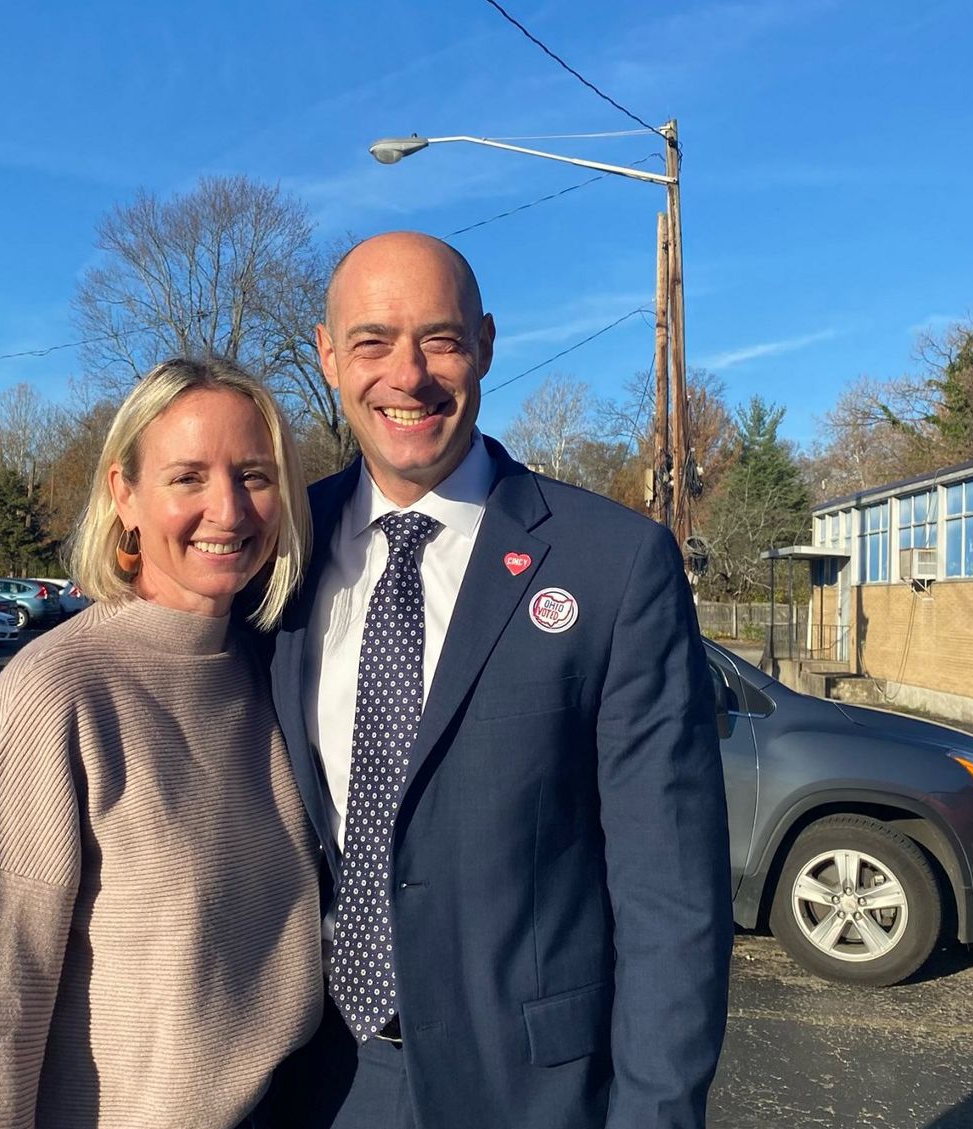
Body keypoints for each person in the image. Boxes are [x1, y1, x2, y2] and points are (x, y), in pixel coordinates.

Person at [267, 232, 732, 1128]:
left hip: (530, 1091)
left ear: (484, 342)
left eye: (439, 339)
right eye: (371, 342)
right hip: (307, 1083)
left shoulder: (613, 563)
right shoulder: (281, 542)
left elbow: (670, 892)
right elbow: (169, 647)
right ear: (327, 356)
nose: (408, 375)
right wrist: (57, 693)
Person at [0, 357, 323, 1129]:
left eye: (255, 475)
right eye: (187, 477)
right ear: (123, 494)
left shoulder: (273, 673)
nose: (227, 509)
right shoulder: (58, 692)